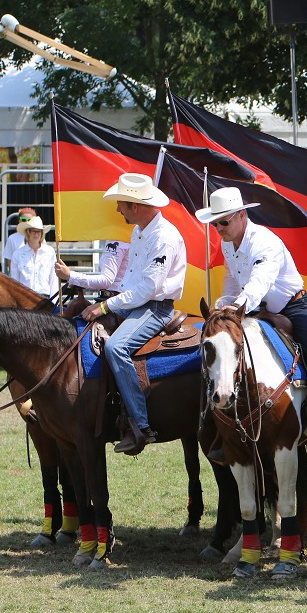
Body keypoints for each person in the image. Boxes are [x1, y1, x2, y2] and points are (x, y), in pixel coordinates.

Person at [196, 186, 307, 429]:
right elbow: (233, 279)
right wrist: (223, 304)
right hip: (255, 309)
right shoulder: (228, 244)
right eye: (215, 224)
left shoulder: (264, 242)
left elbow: (259, 282)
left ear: (241, 216)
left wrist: (234, 309)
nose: (219, 229)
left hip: (292, 306)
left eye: (223, 222)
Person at [79, 173, 187, 455]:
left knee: (116, 347)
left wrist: (105, 306)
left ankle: (140, 425)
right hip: (135, 303)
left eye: (121, 204)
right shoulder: (141, 231)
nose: (117, 210)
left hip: (156, 308)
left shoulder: (163, 237)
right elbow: (132, 283)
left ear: (135, 206)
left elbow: (148, 290)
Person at [55, 239, 131, 294]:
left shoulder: (118, 242)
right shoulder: (125, 240)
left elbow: (106, 281)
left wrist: (70, 275)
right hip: (117, 298)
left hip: (115, 301)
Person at [10, 216, 59, 297]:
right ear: (28, 232)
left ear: (42, 233)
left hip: (45, 298)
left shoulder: (50, 252)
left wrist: (53, 303)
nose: (36, 234)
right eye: (33, 231)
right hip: (25, 297)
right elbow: (14, 281)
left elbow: (53, 279)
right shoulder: (17, 254)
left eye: (38, 231)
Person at [4, 208, 37, 274]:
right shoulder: (12, 238)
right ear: (19, 221)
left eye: (29, 220)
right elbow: (9, 262)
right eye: (23, 220)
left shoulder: (38, 237)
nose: (27, 222)